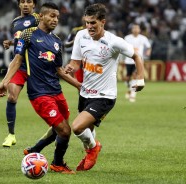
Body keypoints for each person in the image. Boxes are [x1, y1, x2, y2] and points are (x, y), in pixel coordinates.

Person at [0, 2, 80, 174]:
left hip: (57, 92)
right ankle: (58, 163)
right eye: (51, 16)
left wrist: (79, 86)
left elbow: (59, 71)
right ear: (41, 16)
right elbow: (17, 60)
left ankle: (34, 150)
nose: (55, 20)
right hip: (40, 94)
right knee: (64, 130)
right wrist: (5, 82)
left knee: (62, 128)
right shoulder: (28, 34)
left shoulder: (56, 42)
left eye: (57, 17)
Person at [64, 3, 145, 171]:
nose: (89, 26)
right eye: (87, 22)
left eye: (93, 22)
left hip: (104, 96)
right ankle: (91, 151)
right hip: (85, 93)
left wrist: (140, 79)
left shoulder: (114, 42)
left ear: (103, 22)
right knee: (88, 131)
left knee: (77, 127)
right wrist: (71, 67)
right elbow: (76, 62)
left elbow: (137, 56)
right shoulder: (81, 36)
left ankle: (94, 150)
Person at [1, 0, 39, 147]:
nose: (25, 4)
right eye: (22, 1)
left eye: (29, 1)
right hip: (19, 65)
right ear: (18, 5)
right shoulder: (15, 21)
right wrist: (11, 42)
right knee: (11, 96)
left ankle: (56, 130)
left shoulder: (38, 18)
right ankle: (11, 135)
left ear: (34, 5)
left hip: (36, 66)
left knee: (43, 100)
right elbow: (20, 39)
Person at [123, 23, 151, 102]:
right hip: (128, 60)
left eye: (137, 28)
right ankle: (129, 89)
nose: (135, 30)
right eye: (134, 28)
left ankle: (132, 94)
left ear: (139, 30)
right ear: (132, 29)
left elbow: (148, 47)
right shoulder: (127, 38)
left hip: (138, 61)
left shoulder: (143, 38)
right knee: (127, 78)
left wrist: (148, 52)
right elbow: (123, 47)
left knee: (135, 76)